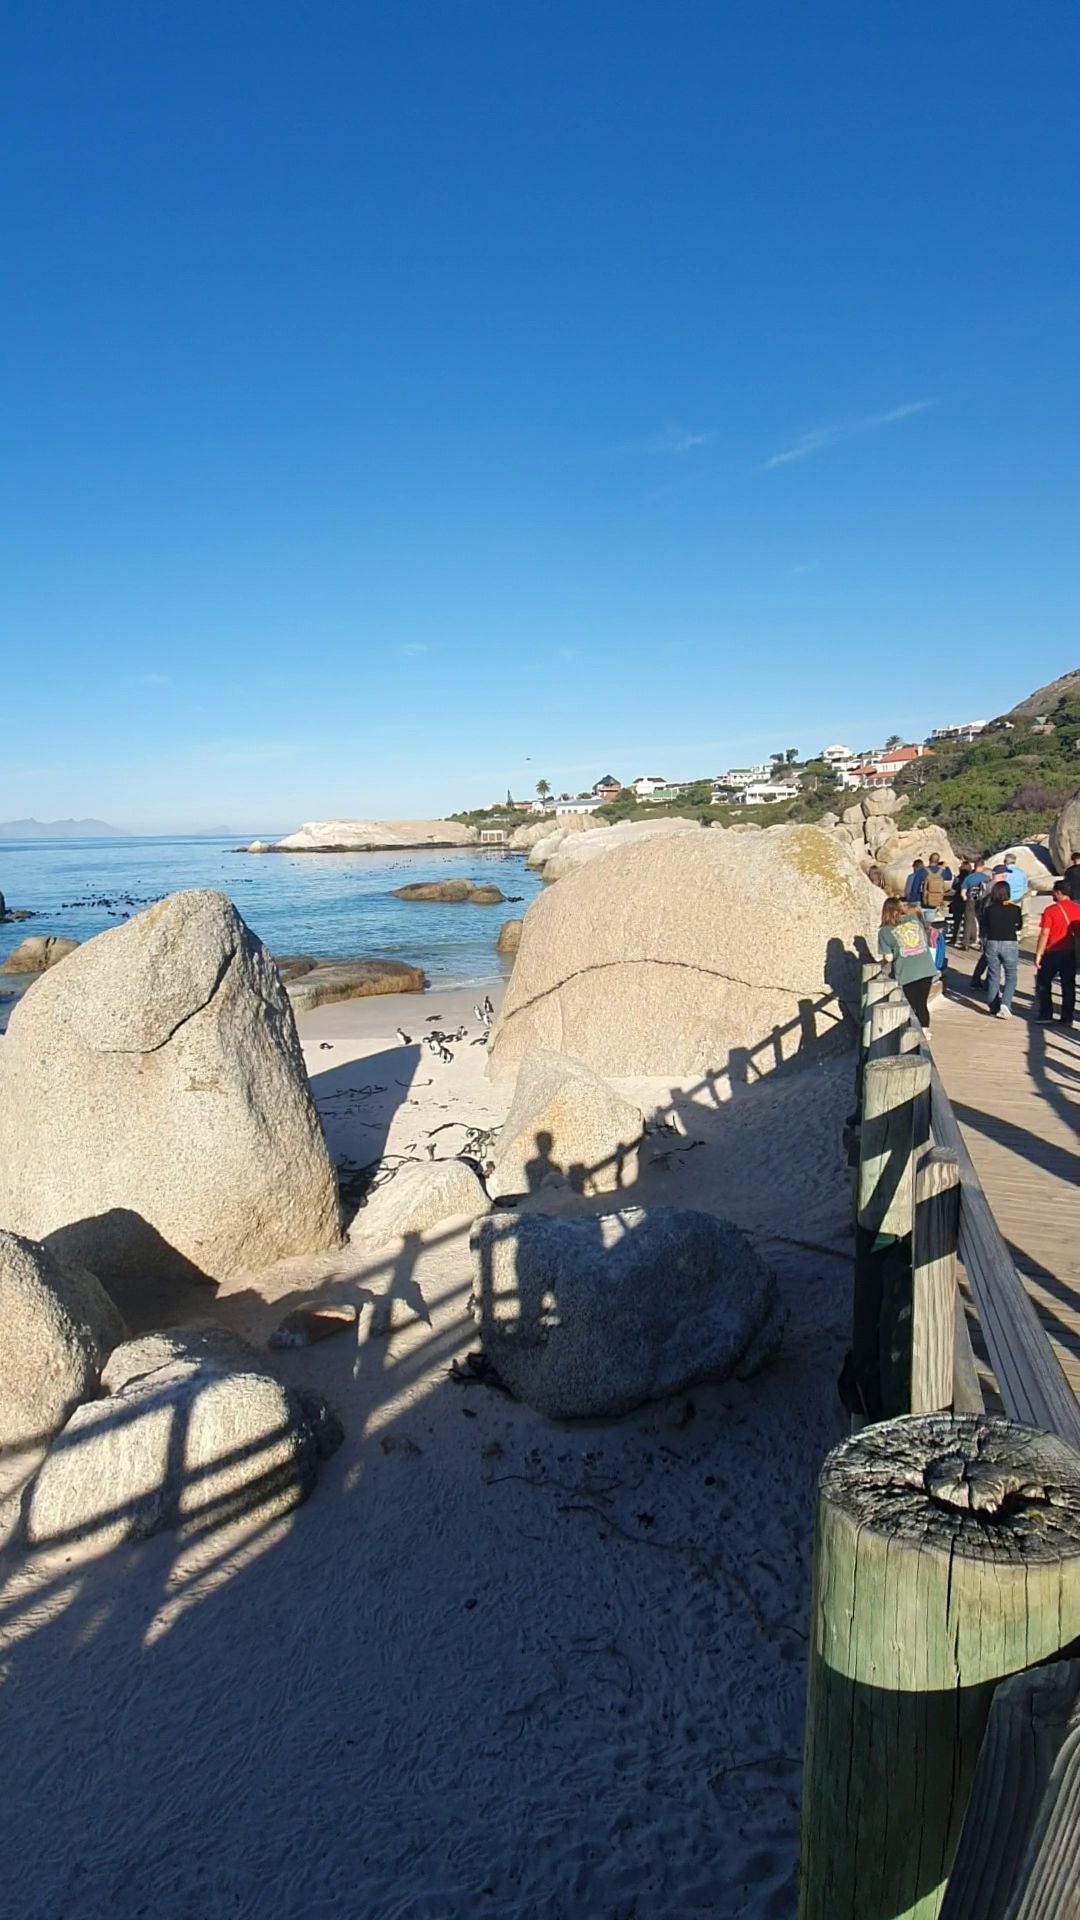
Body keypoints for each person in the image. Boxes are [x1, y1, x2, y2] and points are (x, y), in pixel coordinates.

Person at [878, 895, 937, 1028]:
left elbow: (888, 958)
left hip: (907, 973)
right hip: (926, 969)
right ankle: (925, 1034)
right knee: (921, 1005)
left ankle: (912, 1039)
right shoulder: (913, 920)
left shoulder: (885, 931)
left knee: (910, 1007)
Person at [1034, 881, 1080, 1026]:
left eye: (1054, 892)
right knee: (1068, 985)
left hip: (1052, 951)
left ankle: (1046, 1013)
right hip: (1071, 952)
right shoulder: (1078, 909)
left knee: (1044, 982)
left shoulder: (1051, 910)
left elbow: (1044, 933)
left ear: (1059, 892)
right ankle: (1067, 1016)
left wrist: (1039, 953)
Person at [980, 880, 1023, 1018]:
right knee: (1011, 975)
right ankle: (1005, 1004)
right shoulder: (1015, 909)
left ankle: (993, 1005)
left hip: (992, 941)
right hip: (1009, 942)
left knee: (994, 975)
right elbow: (1019, 926)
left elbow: (984, 925)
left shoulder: (989, 909)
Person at [958, 858, 993, 951]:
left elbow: (963, 892)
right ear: (982, 867)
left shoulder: (969, 877)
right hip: (982, 901)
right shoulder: (986, 878)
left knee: (968, 921)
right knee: (981, 922)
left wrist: (966, 899)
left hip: (971, 900)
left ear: (975, 866)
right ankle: (982, 944)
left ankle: (965, 943)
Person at [949, 862, 974, 945]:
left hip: (958, 900)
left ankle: (954, 938)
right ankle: (967, 939)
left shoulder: (958, 878)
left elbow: (953, 887)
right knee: (968, 921)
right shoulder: (970, 878)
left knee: (957, 921)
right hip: (968, 900)